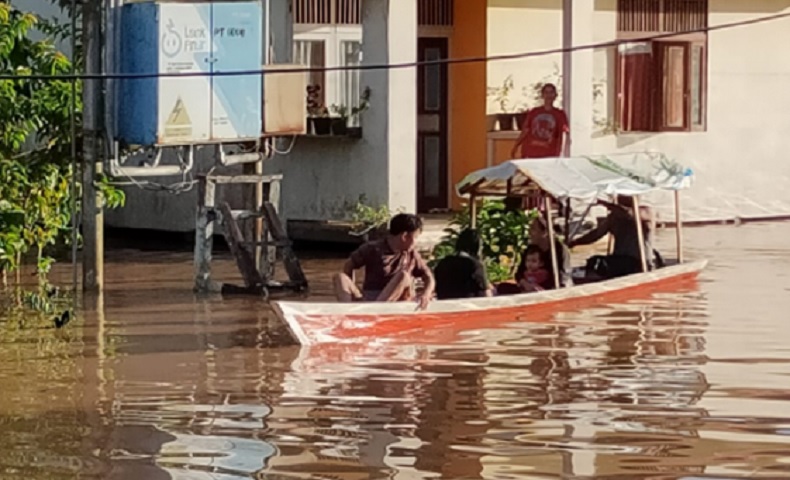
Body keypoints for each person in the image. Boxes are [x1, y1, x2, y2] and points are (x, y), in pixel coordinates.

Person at [333, 213, 435, 309]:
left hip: (394, 301)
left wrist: (426, 294)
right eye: (416, 237)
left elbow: (429, 277)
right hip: (369, 298)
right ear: (404, 236)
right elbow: (349, 265)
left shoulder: (412, 254)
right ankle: (347, 311)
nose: (416, 242)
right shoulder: (372, 249)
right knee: (340, 277)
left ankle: (379, 309)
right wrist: (353, 292)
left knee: (404, 276)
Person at [568, 196, 656, 279]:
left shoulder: (646, 212)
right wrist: (575, 242)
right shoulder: (614, 217)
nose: (620, 197)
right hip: (619, 260)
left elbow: (630, 214)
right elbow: (596, 235)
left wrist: (605, 204)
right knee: (594, 262)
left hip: (639, 262)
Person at [510, 83, 570, 160]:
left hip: (549, 155)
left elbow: (563, 134)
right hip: (530, 153)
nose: (548, 95)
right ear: (542, 95)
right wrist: (516, 146)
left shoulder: (559, 114)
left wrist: (561, 153)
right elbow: (525, 130)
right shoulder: (534, 112)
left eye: (551, 92)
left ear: (555, 95)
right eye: (546, 92)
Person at [515, 214, 573, 291]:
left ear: (545, 232)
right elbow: (519, 273)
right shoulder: (530, 249)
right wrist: (525, 284)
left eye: (533, 229)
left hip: (553, 289)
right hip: (530, 287)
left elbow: (563, 277)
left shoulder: (560, 250)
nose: (529, 233)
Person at [433, 228, 492, 300]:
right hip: (471, 305)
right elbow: (486, 294)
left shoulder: (443, 263)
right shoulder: (475, 265)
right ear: (477, 247)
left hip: (445, 304)